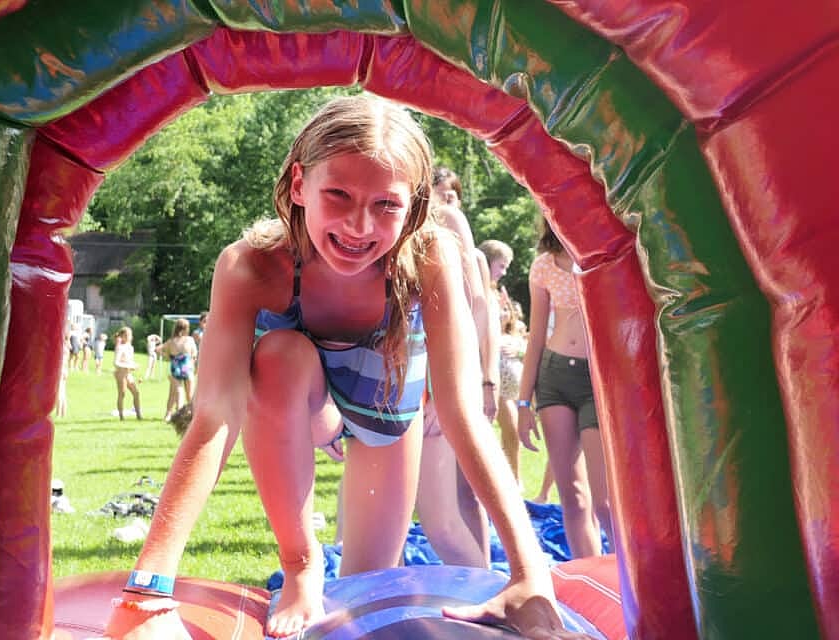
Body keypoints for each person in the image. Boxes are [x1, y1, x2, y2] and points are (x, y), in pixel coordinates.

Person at [101, 96, 592, 640]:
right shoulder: (251, 266)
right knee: (281, 356)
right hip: (298, 395)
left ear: (414, 207)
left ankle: (343, 487)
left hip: (384, 399)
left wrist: (529, 574)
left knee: (369, 591)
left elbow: (461, 415)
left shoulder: (429, 257)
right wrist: (148, 586)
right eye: (338, 194)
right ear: (298, 185)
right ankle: (303, 564)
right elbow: (216, 414)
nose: (360, 225)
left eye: (386, 205)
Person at [410, 166, 501, 569]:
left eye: (453, 193)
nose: (448, 200)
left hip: (439, 370)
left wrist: (473, 378)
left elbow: (477, 306)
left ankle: (483, 584)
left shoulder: (447, 222)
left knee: (451, 506)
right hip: (405, 372)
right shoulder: (395, 217)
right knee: (415, 505)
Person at [516, 217, 613, 557]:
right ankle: (589, 570)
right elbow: (535, 338)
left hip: (596, 379)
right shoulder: (543, 266)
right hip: (554, 376)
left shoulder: (602, 257)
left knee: (604, 502)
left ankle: (627, 578)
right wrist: (523, 403)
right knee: (571, 493)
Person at [478, 239, 525, 482]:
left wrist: (513, 336)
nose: (504, 272)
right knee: (483, 431)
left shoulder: (498, 293)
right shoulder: (476, 290)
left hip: (504, 375)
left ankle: (513, 481)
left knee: (512, 431)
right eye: (501, 266)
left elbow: (513, 330)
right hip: (482, 370)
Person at [156, 318, 197, 422]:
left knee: (174, 392)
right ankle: (192, 415)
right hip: (187, 367)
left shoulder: (171, 341)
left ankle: (168, 414)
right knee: (190, 394)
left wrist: (168, 357)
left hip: (175, 367)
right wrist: (192, 361)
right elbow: (194, 354)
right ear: (186, 328)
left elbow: (157, 349)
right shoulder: (189, 340)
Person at [112, 326, 143, 421]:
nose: (129, 337)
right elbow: (116, 362)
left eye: (130, 335)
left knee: (136, 393)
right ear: (122, 336)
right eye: (126, 335)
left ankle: (139, 415)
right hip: (121, 373)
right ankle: (121, 416)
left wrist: (135, 365)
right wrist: (128, 366)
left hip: (128, 373)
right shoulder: (120, 347)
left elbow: (130, 361)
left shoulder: (131, 347)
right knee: (122, 393)